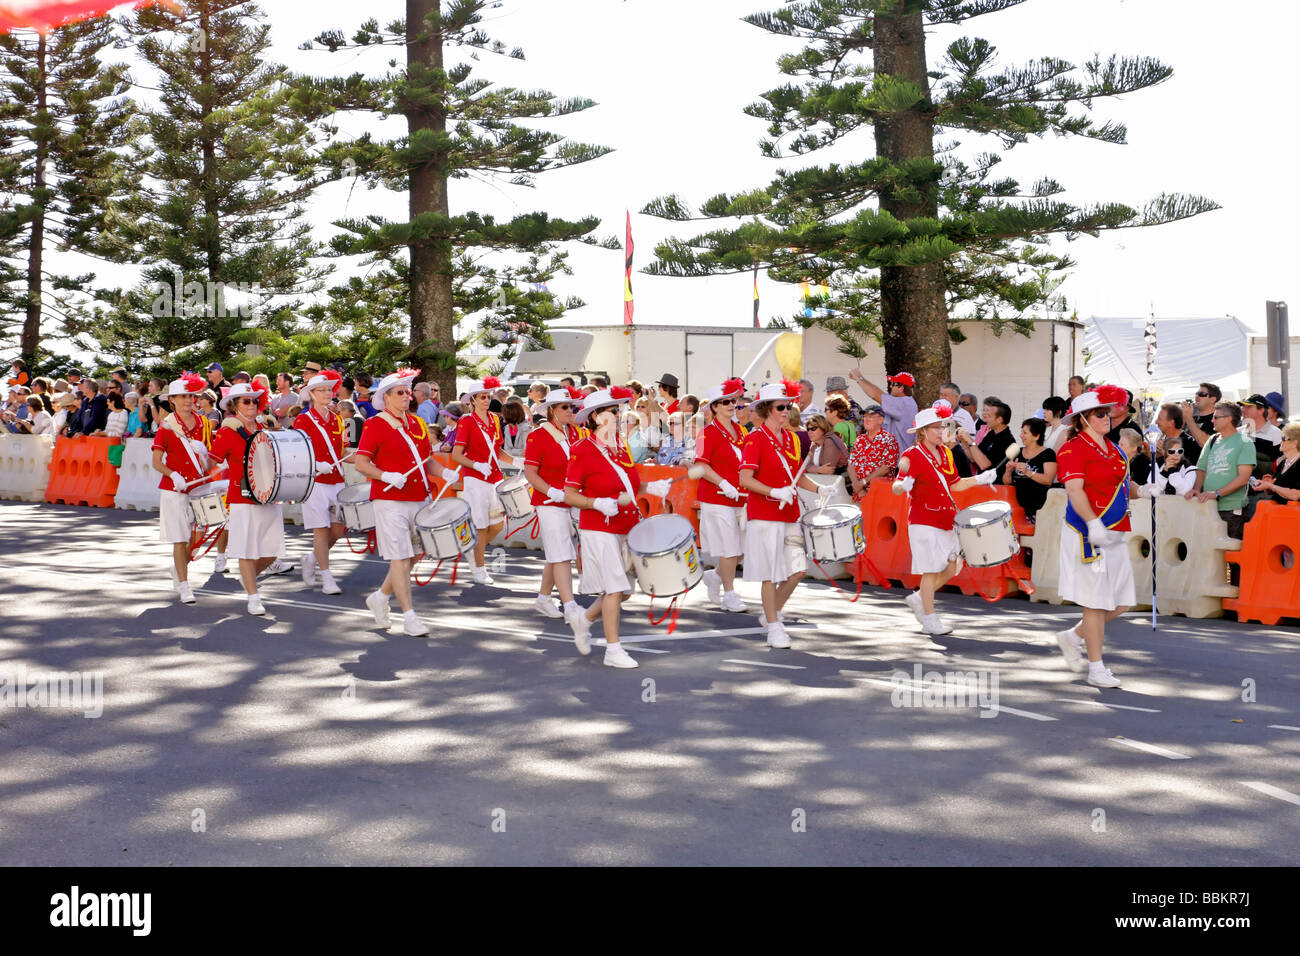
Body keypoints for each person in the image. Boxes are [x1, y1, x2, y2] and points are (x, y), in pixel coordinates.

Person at [353, 369, 459, 635]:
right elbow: (362, 463)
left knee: (415, 554)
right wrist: (384, 474)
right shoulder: (375, 424)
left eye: (408, 391)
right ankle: (409, 616)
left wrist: (444, 471)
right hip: (390, 500)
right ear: (386, 397)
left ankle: (380, 597)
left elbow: (427, 460)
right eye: (400, 392)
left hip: (419, 496)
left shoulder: (417, 424)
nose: (406, 396)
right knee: (400, 558)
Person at [564, 386, 657, 668]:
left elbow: (630, 484)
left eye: (618, 410)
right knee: (615, 589)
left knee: (624, 590)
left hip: (626, 523)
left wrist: (654, 486)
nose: (618, 415)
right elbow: (569, 493)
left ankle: (585, 619)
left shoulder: (621, 445)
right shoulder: (582, 449)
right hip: (599, 526)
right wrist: (595, 503)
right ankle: (613, 650)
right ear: (595, 417)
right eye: (612, 411)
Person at [738, 380, 832, 649]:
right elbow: (745, 479)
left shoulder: (792, 439)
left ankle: (770, 616)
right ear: (768, 409)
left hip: (788, 514)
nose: (786, 410)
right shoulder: (754, 439)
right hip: (765, 514)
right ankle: (774, 625)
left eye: (788, 406)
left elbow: (795, 477)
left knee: (797, 570)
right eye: (781, 406)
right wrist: (773, 491)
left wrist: (818, 489)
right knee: (770, 574)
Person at [897, 401, 999, 636]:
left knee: (953, 567)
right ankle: (929, 620)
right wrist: (903, 485)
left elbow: (956, 484)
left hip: (946, 518)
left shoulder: (947, 453)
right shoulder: (912, 454)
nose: (941, 431)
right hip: (923, 520)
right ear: (923, 431)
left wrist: (981, 479)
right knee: (931, 570)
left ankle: (919, 598)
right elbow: (898, 483)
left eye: (943, 427)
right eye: (935, 428)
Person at [208, 383, 283, 615]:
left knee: (272, 552)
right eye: (246, 401)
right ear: (234, 405)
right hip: (242, 496)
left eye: (255, 401)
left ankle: (248, 578)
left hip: (270, 495)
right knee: (247, 549)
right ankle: (253, 596)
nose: (252, 405)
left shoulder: (265, 427)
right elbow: (213, 460)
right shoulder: (227, 431)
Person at [151, 374, 219, 605]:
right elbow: (156, 462)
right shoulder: (167, 426)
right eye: (183, 396)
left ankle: (178, 567)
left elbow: (209, 462)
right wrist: (173, 474)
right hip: (175, 489)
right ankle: (184, 584)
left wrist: (210, 458)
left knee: (199, 537)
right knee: (180, 539)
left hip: (199, 487)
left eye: (191, 396)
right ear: (173, 400)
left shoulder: (204, 424)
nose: (188, 400)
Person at [522, 385, 586, 626]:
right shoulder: (538, 435)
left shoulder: (578, 434)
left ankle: (544, 597)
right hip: (549, 501)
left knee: (558, 552)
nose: (571, 411)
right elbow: (530, 472)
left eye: (572, 407)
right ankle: (569, 605)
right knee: (561, 553)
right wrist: (550, 491)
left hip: (571, 499)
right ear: (552, 411)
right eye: (565, 407)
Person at [451, 375, 515, 585]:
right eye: (482, 397)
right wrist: (476, 464)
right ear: (473, 400)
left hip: (493, 477)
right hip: (475, 479)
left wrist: (516, 461)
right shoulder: (466, 421)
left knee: (496, 525)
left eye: (488, 396)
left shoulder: (495, 420)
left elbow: (496, 449)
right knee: (480, 526)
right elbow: (457, 455)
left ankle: (471, 551)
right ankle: (479, 569)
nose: (487, 400)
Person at [694, 378, 749, 613]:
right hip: (717, 497)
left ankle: (715, 575)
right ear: (714, 407)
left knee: (743, 548)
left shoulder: (741, 430)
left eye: (733, 401)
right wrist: (723, 482)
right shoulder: (706, 433)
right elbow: (701, 466)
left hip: (741, 497)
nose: (730, 405)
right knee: (729, 549)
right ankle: (729, 593)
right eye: (724, 402)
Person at [294, 371, 350, 595]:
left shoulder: (337, 418)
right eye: (323, 390)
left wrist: (367, 457)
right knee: (321, 529)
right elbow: (298, 452)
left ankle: (311, 558)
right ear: (312, 394)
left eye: (330, 389)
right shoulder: (303, 420)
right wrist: (316, 465)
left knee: (337, 530)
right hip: (315, 481)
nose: (328, 393)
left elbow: (343, 450)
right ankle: (327, 577)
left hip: (337, 479)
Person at [1185, 402, 1256, 546]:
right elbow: (1201, 468)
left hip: (1232, 510)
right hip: (1208, 507)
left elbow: (1243, 478)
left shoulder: (1245, 442)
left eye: (1216, 417)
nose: (1212, 420)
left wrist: (1217, 493)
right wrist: (1197, 490)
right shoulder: (1212, 440)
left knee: (1233, 558)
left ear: (1229, 419)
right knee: (1209, 555)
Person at [847, 369, 918, 450]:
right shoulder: (905, 403)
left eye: (893, 384)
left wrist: (859, 378)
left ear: (901, 388)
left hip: (899, 459)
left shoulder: (904, 403)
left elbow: (875, 395)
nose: (891, 386)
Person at [1002, 418, 1057, 522]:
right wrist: (1008, 471)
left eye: (1025, 432)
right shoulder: (1018, 452)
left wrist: (1027, 472)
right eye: (1021, 432)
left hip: (1039, 510)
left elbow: (1048, 480)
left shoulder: (1048, 454)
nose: (1021, 435)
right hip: (1017, 508)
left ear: (1036, 436)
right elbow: (1006, 482)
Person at [848, 404, 900, 498]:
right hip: (859, 494)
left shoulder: (889, 440)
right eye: (865, 416)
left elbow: (886, 467)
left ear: (881, 420)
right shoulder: (859, 439)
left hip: (881, 494)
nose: (866, 419)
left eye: (871, 417)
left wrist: (863, 482)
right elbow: (851, 465)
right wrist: (858, 486)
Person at [959, 399, 1014, 472]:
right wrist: (963, 441)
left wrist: (970, 440)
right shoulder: (991, 434)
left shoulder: (1007, 441)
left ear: (999, 420)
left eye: (989, 416)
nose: (986, 418)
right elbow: (973, 458)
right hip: (982, 481)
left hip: (995, 483)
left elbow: (984, 465)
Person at [1256, 422, 1300, 505]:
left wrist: (1271, 486)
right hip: (1279, 512)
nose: (1280, 441)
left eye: (1283, 438)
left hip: (1294, 515)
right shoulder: (1283, 463)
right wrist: (1268, 483)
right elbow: (1274, 491)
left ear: (1295, 443)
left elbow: (1296, 495)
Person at [1240, 394, 1283, 476]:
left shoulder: (1277, 434)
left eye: (1248, 407)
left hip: (1262, 486)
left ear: (1261, 410)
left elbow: (1279, 465)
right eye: (1243, 406)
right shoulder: (1238, 432)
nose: (1243, 409)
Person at [1180, 382, 1220, 448]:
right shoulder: (1193, 417)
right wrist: (1183, 419)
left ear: (1213, 399)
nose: (1197, 396)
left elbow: (1206, 444)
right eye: (1196, 394)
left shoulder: (1218, 420)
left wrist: (1188, 418)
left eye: (1201, 394)